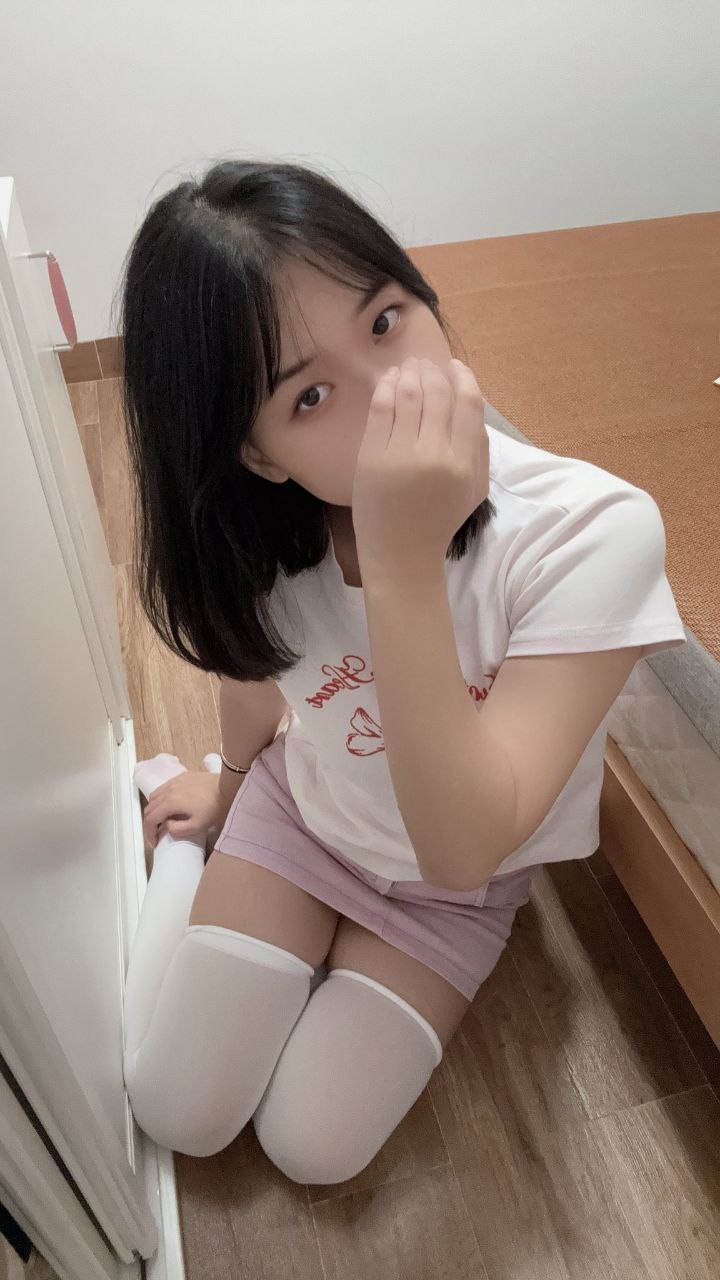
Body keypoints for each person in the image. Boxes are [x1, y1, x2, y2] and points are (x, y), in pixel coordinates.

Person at [117, 159, 686, 1182]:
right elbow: (261, 670)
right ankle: (188, 854)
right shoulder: (271, 534)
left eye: (386, 320)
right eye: (311, 395)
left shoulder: (591, 530)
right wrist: (234, 788)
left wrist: (401, 563)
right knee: (179, 1109)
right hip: (304, 819)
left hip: (450, 892)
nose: (390, 396)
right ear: (260, 456)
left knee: (313, 1147)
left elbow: (466, 851)